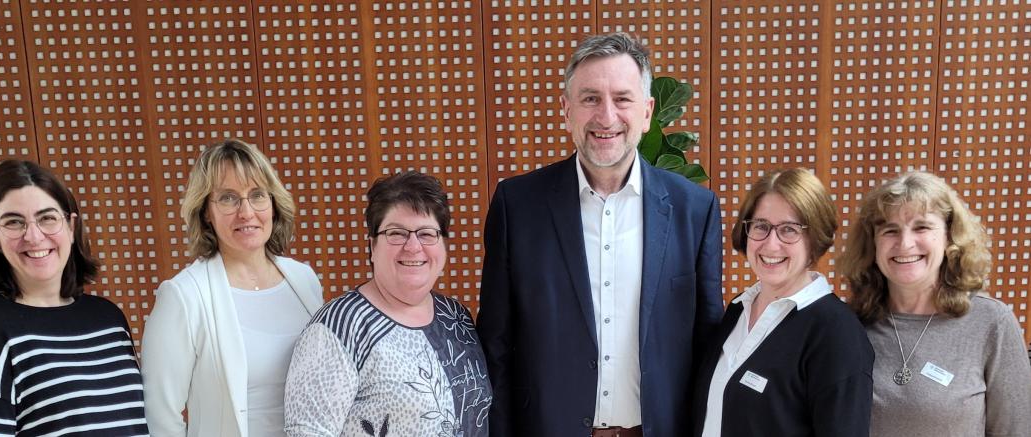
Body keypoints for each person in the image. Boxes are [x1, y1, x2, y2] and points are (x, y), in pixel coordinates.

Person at [476, 32, 724, 437]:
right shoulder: (517, 205)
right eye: (590, 98)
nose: (606, 117)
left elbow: (707, 344)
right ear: (567, 110)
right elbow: (496, 344)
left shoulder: (694, 210)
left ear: (646, 113)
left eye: (622, 99)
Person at [0, 160, 149, 436]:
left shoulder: (108, 318)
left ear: (71, 227)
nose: (34, 236)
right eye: (14, 222)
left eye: (47, 218)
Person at [284, 171, 491, 436]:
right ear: (372, 245)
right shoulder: (340, 327)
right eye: (397, 233)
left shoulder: (456, 317)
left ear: (443, 245)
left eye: (427, 234)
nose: (413, 246)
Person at [142, 139, 324, 437]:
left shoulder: (303, 279)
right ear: (205, 212)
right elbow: (160, 415)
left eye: (257, 195)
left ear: (273, 203)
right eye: (228, 198)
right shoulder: (184, 296)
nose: (246, 212)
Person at [839, 170, 1031, 436]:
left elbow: (1016, 430)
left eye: (922, 227)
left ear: (950, 237)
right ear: (873, 243)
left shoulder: (990, 323)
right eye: (890, 230)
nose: (905, 244)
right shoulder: (848, 324)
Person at [692, 168, 873, 436]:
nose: (771, 244)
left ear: (815, 238)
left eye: (789, 230)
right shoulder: (738, 309)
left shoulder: (836, 333)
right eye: (761, 227)